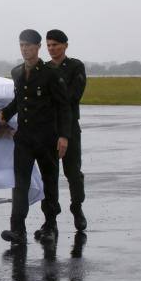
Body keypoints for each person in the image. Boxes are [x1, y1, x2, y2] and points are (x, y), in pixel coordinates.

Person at [0, 29, 71, 246]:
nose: (24, 49)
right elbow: (19, 100)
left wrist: (64, 136)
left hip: (46, 137)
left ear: (38, 47)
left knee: (49, 182)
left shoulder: (50, 73)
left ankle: (50, 225)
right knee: (19, 184)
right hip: (24, 138)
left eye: (28, 46)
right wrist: (5, 114)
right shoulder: (18, 72)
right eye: (21, 45)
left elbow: (63, 107)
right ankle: (18, 229)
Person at [45, 29, 87, 231]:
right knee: (49, 174)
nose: (52, 48)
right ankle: (50, 217)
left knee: (73, 172)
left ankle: (77, 207)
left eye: (56, 45)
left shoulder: (75, 66)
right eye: (49, 45)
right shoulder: (43, 68)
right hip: (48, 127)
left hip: (69, 125)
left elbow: (73, 96)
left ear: (65, 46)